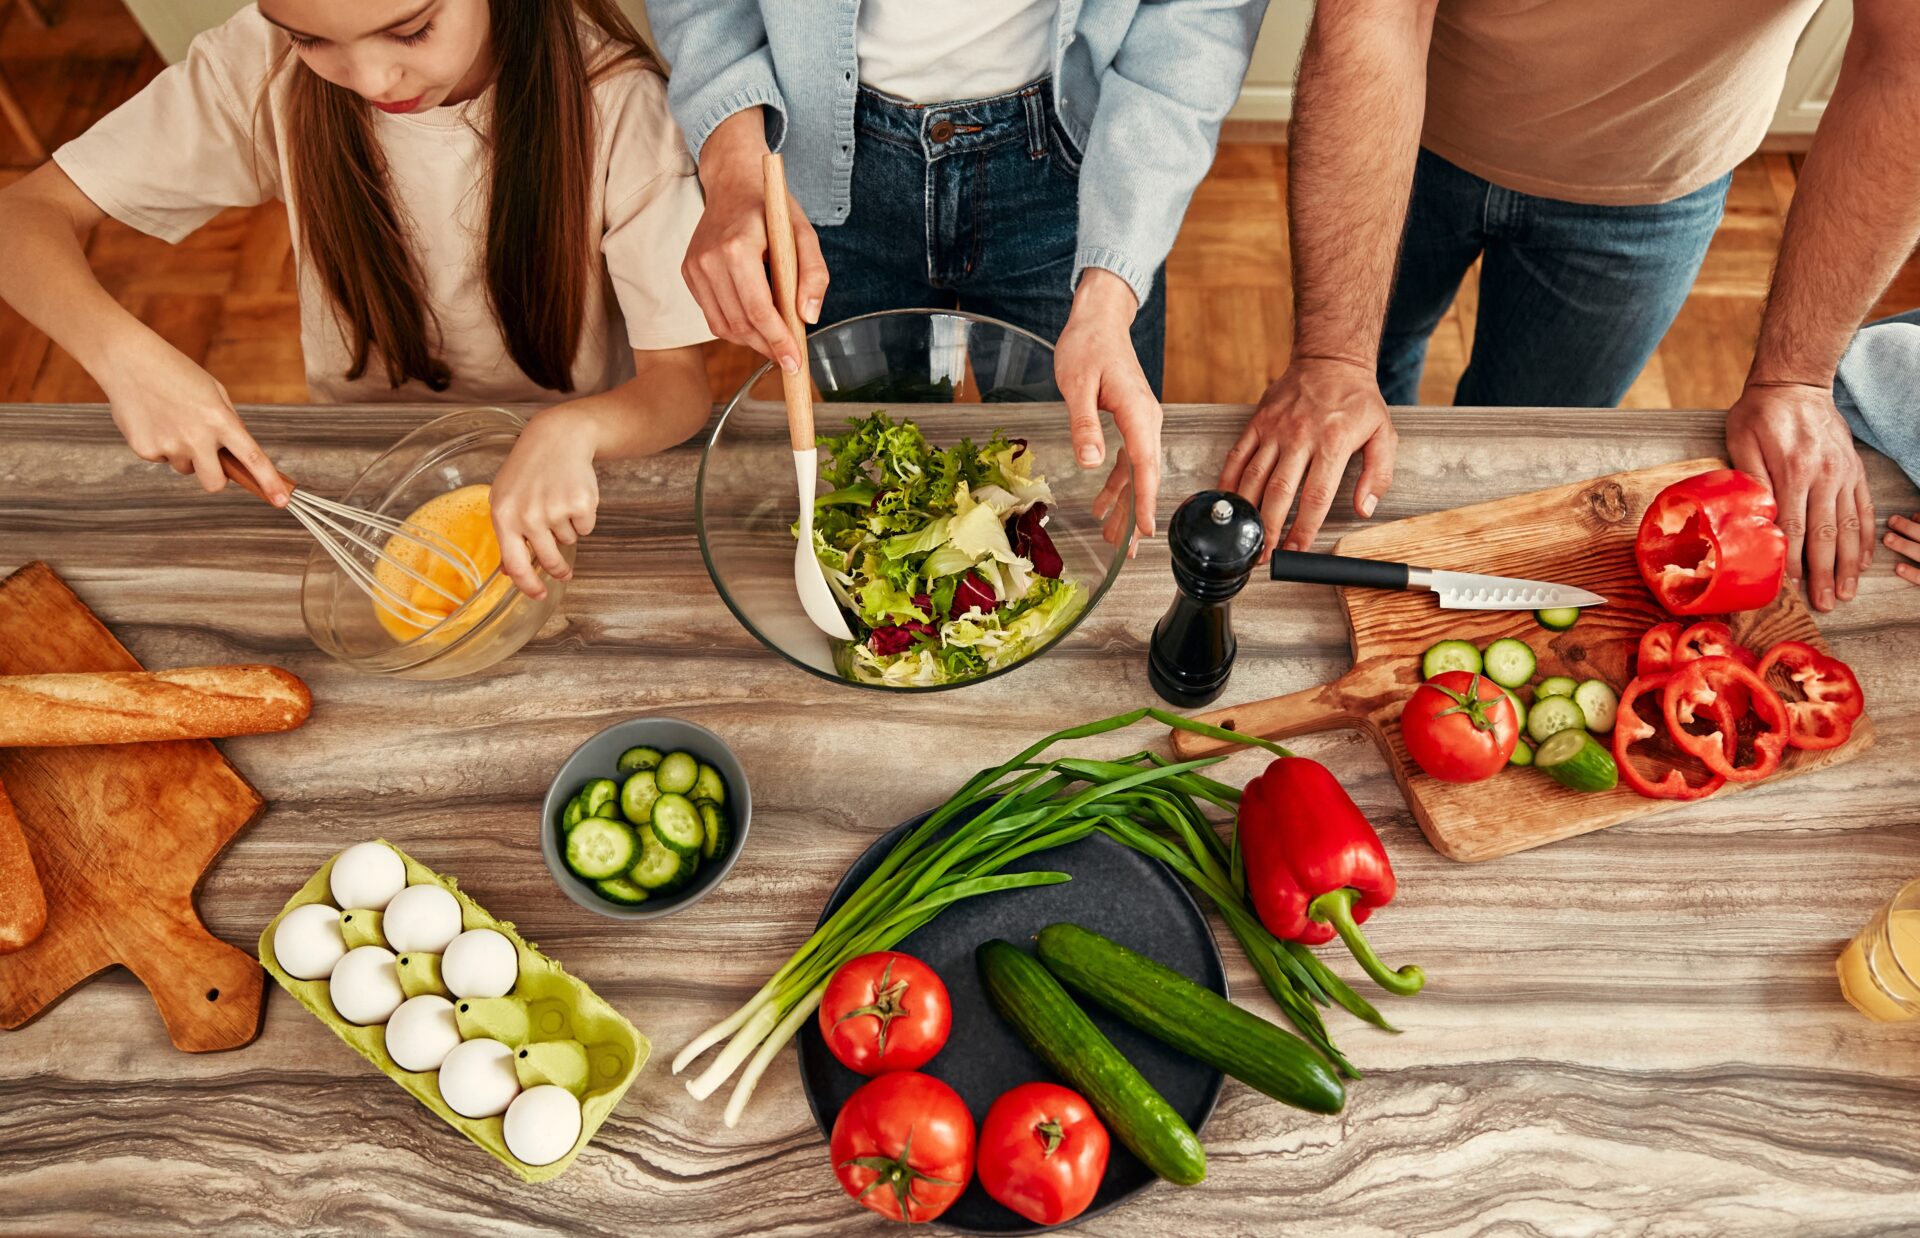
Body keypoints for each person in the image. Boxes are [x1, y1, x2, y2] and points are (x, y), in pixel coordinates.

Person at [1219, 0, 1920, 614]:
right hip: (1403, 126)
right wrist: (1335, 358)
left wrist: (1795, 375)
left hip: (1655, 180)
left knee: (1517, 443)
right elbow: (1377, 10)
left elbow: (1907, 60)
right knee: (1373, 367)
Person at [0, 0, 714, 599]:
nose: (370, 78)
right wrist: (125, 359)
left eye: (410, 31)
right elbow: (19, 219)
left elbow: (677, 388)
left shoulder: (617, 103)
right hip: (366, 472)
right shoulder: (260, 65)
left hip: (576, 482)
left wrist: (574, 430)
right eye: (309, 38)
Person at [648, 0, 1269, 552]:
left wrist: (1109, 289)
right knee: (880, 490)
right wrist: (731, 157)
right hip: (814, 163)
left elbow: (1198, 18)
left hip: (1081, 172)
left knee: (1068, 500)